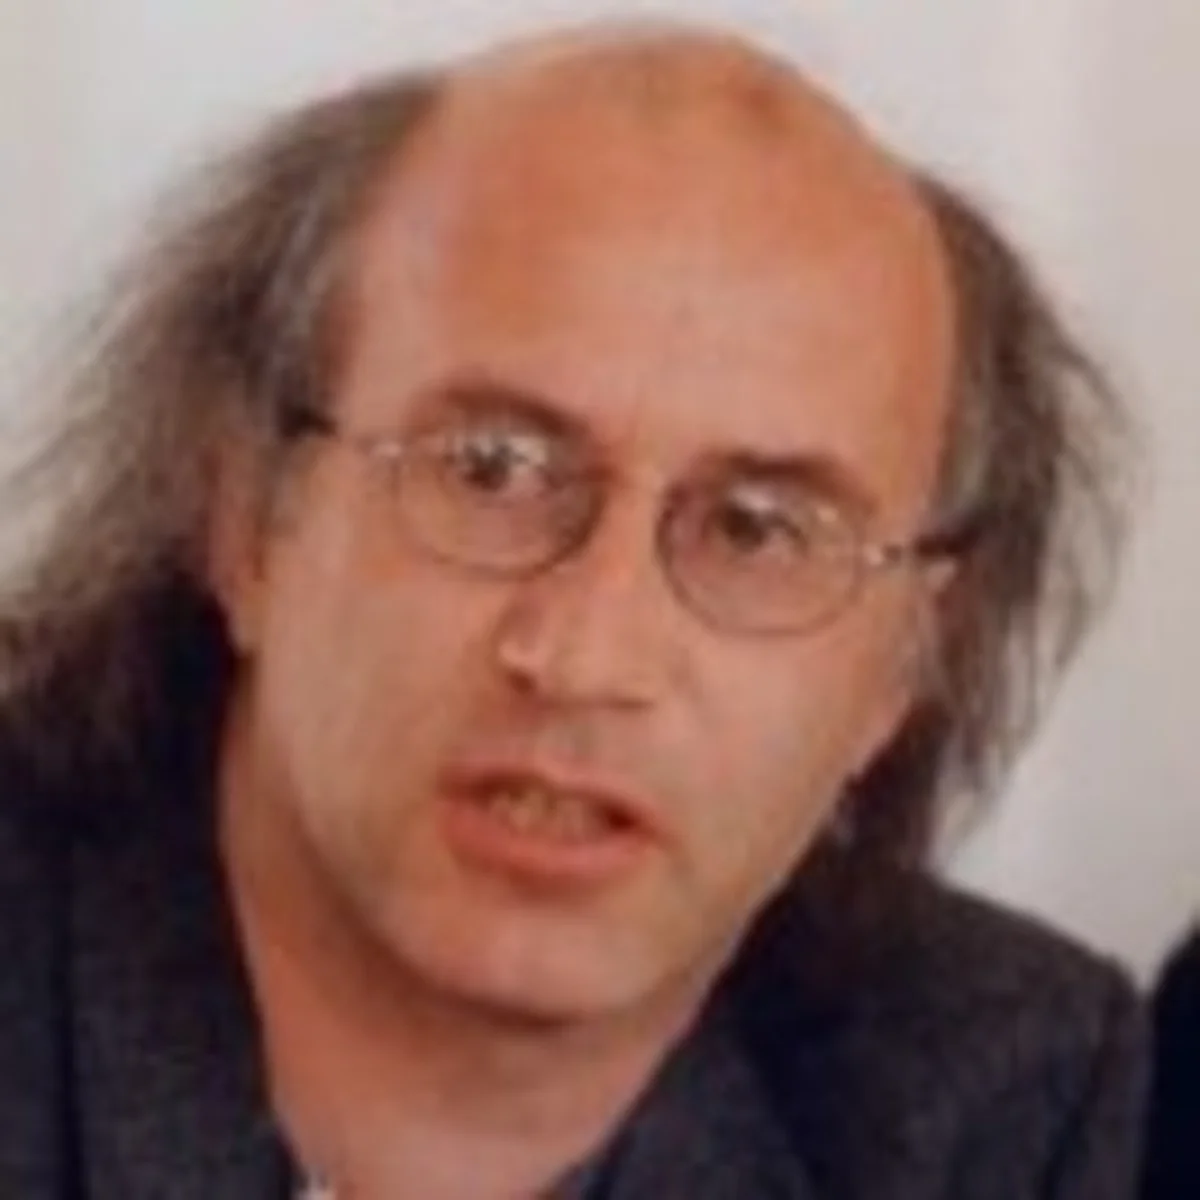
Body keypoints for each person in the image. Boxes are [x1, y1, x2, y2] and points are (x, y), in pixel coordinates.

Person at [0, 20, 1144, 1199]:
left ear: (904, 660)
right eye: (491, 469)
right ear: (245, 512)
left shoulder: (1001, 1106)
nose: (588, 655)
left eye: (757, 529)